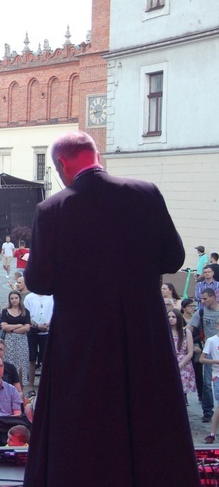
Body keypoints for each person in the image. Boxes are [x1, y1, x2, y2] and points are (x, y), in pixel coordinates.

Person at [23, 131, 198, 486]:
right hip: (142, 329)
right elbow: (174, 257)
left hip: (83, 337)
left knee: (83, 420)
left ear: (61, 165)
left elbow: (39, 281)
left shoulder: (52, 209)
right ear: (96, 155)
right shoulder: (146, 193)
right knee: (149, 413)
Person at [0, 291, 31, 387]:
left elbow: (27, 328)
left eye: (16, 298)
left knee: (22, 362)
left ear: (19, 299)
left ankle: (21, 384)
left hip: (22, 340)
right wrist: (18, 326)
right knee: (9, 360)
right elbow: (4, 327)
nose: (14, 300)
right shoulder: (5, 311)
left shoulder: (25, 312)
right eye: (12, 298)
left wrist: (11, 328)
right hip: (9, 339)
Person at [168, 308, 195, 402]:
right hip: (169, 363)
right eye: (169, 317)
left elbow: (190, 352)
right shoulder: (165, 331)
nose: (170, 319)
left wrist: (181, 364)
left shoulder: (185, 332)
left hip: (183, 364)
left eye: (173, 317)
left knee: (181, 392)